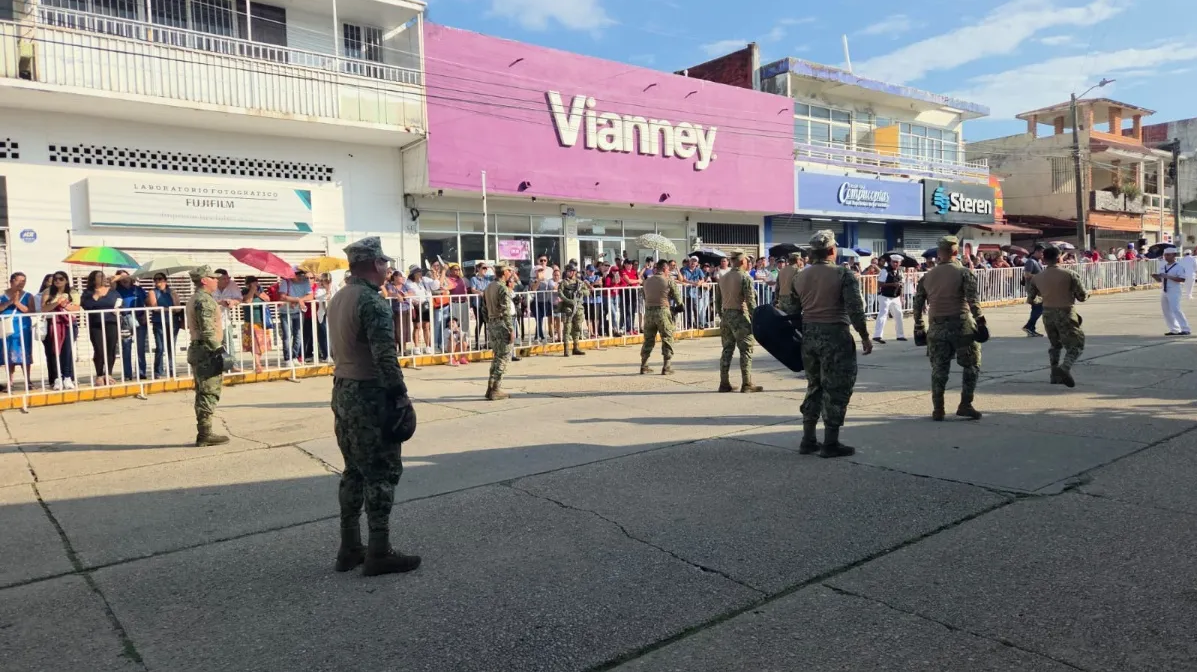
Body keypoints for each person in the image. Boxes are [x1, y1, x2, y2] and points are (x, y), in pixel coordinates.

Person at [327, 237, 420, 577]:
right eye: (384, 263)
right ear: (374, 264)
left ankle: (349, 546)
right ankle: (379, 550)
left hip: (344, 391)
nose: (387, 268)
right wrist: (400, 396)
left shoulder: (339, 298)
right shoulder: (371, 302)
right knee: (380, 471)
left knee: (353, 469)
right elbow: (384, 357)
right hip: (370, 393)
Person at [792, 230, 873, 458]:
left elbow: (791, 310)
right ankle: (830, 442)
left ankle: (808, 439)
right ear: (831, 251)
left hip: (809, 336)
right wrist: (865, 336)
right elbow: (855, 308)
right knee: (836, 387)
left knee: (814, 385)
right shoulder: (843, 274)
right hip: (836, 335)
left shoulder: (799, 276)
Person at [913, 236, 985, 421]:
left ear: (939, 253)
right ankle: (965, 404)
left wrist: (919, 326)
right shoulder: (963, 272)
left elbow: (917, 303)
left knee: (939, 369)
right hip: (961, 325)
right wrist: (981, 321)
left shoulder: (927, 276)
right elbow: (972, 300)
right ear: (956, 252)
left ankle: (938, 409)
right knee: (971, 365)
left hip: (936, 327)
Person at [1027, 246, 1088, 387]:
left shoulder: (1037, 277)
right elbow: (1082, 296)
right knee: (1076, 344)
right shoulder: (1069, 274)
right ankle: (1064, 368)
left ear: (1044, 259)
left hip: (1047, 313)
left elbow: (1031, 299)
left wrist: (1044, 300)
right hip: (1066, 312)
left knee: (1055, 345)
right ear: (1059, 258)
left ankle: (1054, 374)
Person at [184, 266, 229, 447]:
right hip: (206, 351)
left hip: (199, 349)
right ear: (204, 280)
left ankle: (204, 431)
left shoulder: (197, 298)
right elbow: (207, 330)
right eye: (213, 277)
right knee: (208, 392)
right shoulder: (204, 301)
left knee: (203, 392)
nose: (216, 280)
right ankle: (205, 433)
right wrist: (219, 350)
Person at [714, 249, 762, 393]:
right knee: (746, 350)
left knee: (727, 350)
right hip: (740, 315)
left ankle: (724, 382)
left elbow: (717, 301)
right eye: (747, 261)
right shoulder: (745, 277)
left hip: (726, 315)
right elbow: (750, 301)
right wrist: (757, 318)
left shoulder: (723, 277)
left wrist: (722, 315)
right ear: (742, 261)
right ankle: (747, 383)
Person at [640, 259, 683, 375]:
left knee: (648, 339)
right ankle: (666, 366)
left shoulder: (647, 281)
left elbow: (644, 295)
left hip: (648, 313)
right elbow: (678, 300)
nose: (669, 271)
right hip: (663, 311)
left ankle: (644, 365)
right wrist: (679, 307)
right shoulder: (668, 281)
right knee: (667, 338)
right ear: (664, 269)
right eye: (668, 268)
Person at [41, 271, 80, 391]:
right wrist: (56, 303)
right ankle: (57, 378)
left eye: (61, 279)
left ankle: (67, 377)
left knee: (67, 351)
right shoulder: (48, 292)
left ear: (66, 280)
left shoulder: (72, 292)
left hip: (68, 324)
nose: (58, 281)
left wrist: (65, 305)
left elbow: (76, 309)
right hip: (53, 324)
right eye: (55, 279)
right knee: (54, 351)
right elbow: (44, 309)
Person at [81, 270, 119, 386]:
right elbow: (87, 306)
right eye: (99, 276)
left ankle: (109, 374)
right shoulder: (88, 293)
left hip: (111, 322)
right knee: (99, 349)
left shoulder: (112, 292)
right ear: (93, 279)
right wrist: (96, 296)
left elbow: (120, 301)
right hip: (96, 324)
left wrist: (118, 308)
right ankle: (99, 375)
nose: (102, 278)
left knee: (111, 349)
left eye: (103, 276)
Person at [483, 262, 515, 400]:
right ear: (504, 273)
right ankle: (496, 389)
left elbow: (483, 309)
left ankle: (490, 387)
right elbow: (506, 311)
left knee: (496, 356)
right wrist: (510, 328)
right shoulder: (502, 288)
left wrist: (490, 322)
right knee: (503, 357)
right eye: (509, 271)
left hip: (492, 322)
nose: (511, 273)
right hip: (501, 323)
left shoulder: (489, 287)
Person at [113, 270, 149, 381]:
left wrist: (145, 315)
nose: (124, 278)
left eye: (126, 276)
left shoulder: (138, 289)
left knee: (140, 347)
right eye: (121, 276)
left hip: (139, 319)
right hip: (124, 320)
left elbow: (147, 303)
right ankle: (127, 374)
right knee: (126, 347)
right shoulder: (116, 290)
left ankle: (141, 372)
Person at [0, 272, 34, 389]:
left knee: (25, 353)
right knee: (8, 353)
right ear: (12, 281)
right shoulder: (2, 295)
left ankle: (28, 380)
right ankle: (10, 381)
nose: (22, 283)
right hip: (7, 327)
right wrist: (10, 302)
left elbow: (31, 311)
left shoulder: (28, 296)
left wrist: (17, 303)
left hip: (22, 328)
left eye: (24, 281)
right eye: (19, 280)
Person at [147, 273, 181, 379]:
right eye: (155, 279)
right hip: (159, 322)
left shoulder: (172, 292)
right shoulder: (152, 292)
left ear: (165, 280)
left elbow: (178, 307)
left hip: (173, 322)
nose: (158, 281)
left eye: (160, 279)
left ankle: (171, 369)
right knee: (160, 347)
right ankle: (158, 371)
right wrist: (168, 309)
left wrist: (169, 308)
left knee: (171, 347)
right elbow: (155, 307)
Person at [1152, 247, 1191, 336]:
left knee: (1176, 309)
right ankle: (1174, 329)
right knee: (1166, 310)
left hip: (1174, 290)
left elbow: (1182, 279)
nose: (1166, 257)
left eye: (1168, 255)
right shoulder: (1164, 266)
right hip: (1164, 290)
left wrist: (1168, 277)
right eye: (1165, 255)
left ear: (1174, 255)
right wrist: (1156, 277)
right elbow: (1160, 279)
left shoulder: (1179, 267)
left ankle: (1185, 328)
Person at [278, 267, 313, 363]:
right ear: (293, 274)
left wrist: (298, 300)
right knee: (287, 336)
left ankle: (294, 356)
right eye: (299, 274)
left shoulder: (305, 282)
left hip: (298, 311)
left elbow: (310, 296)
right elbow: (282, 296)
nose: (302, 276)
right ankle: (288, 358)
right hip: (285, 312)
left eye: (302, 274)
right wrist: (297, 300)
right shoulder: (286, 282)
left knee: (298, 335)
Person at [240, 276, 273, 374]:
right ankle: (257, 364)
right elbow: (247, 301)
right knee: (254, 344)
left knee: (260, 344)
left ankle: (257, 363)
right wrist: (251, 291)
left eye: (256, 283)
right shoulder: (244, 291)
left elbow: (267, 299)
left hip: (261, 320)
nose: (255, 285)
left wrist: (257, 292)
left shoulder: (260, 290)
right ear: (248, 284)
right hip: (250, 321)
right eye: (253, 283)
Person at [872, 255, 907, 344]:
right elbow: (880, 284)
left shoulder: (900, 272)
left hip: (895, 296)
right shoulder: (885, 271)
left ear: (900, 263)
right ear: (890, 262)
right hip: (885, 296)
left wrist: (902, 297)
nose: (895, 264)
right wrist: (892, 284)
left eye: (897, 262)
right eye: (893, 262)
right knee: (883, 314)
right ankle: (877, 335)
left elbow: (901, 285)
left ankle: (900, 335)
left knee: (899, 315)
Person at [557, 264, 589, 357]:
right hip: (568, 308)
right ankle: (566, 349)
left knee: (577, 328)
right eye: (568, 271)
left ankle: (576, 347)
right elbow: (560, 294)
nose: (570, 273)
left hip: (578, 308)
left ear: (574, 272)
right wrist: (569, 301)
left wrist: (581, 292)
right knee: (567, 328)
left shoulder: (579, 282)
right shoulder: (564, 283)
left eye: (571, 271)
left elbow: (587, 292)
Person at [1022, 245, 1046, 337]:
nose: (1042, 254)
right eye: (1041, 252)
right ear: (1036, 251)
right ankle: (1029, 326)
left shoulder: (1037, 262)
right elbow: (1027, 275)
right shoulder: (1030, 262)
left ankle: (1031, 329)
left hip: (1037, 288)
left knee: (1036, 309)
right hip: (1033, 289)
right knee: (1039, 308)